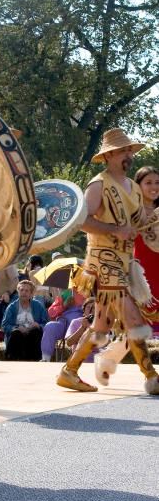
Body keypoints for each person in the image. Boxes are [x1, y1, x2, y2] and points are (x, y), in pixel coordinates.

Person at [57, 128, 159, 394]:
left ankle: (69, 371)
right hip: (103, 262)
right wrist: (114, 229)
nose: (130, 155)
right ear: (110, 155)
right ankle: (151, 376)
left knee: (102, 327)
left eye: (130, 151)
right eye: (125, 151)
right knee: (134, 319)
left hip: (125, 263)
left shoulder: (133, 188)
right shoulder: (98, 184)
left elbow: (139, 224)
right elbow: (82, 221)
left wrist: (150, 223)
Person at [133, 166, 159, 335]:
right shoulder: (130, 212)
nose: (154, 187)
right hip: (139, 275)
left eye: (157, 182)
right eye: (148, 182)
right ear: (138, 186)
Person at [2, 279, 49, 360]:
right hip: (17, 337)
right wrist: (16, 328)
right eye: (21, 290)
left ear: (31, 294)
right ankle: (13, 361)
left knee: (36, 332)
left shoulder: (38, 305)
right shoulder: (12, 307)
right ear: (18, 292)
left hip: (32, 336)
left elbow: (46, 323)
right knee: (16, 333)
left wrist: (39, 326)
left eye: (27, 291)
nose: (23, 292)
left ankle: (34, 361)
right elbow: (5, 325)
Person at [40, 288, 84, 362]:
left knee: (79, 325)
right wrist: (64, 306)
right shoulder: (66, 293)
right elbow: (51, 313)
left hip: (81, 325)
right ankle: (45, 359)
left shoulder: (89, 293)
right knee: (50, 326)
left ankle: (77, 360)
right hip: (64, 325)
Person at [64, 297, 99, 362]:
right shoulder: (75, 322)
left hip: (99, 358)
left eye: (94, 307)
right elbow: (69, 343)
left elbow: (106, 343)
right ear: (84, 309)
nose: (91, 310)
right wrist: (82, 327)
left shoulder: (101, 323)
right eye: (88, 307)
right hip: (80, 359)